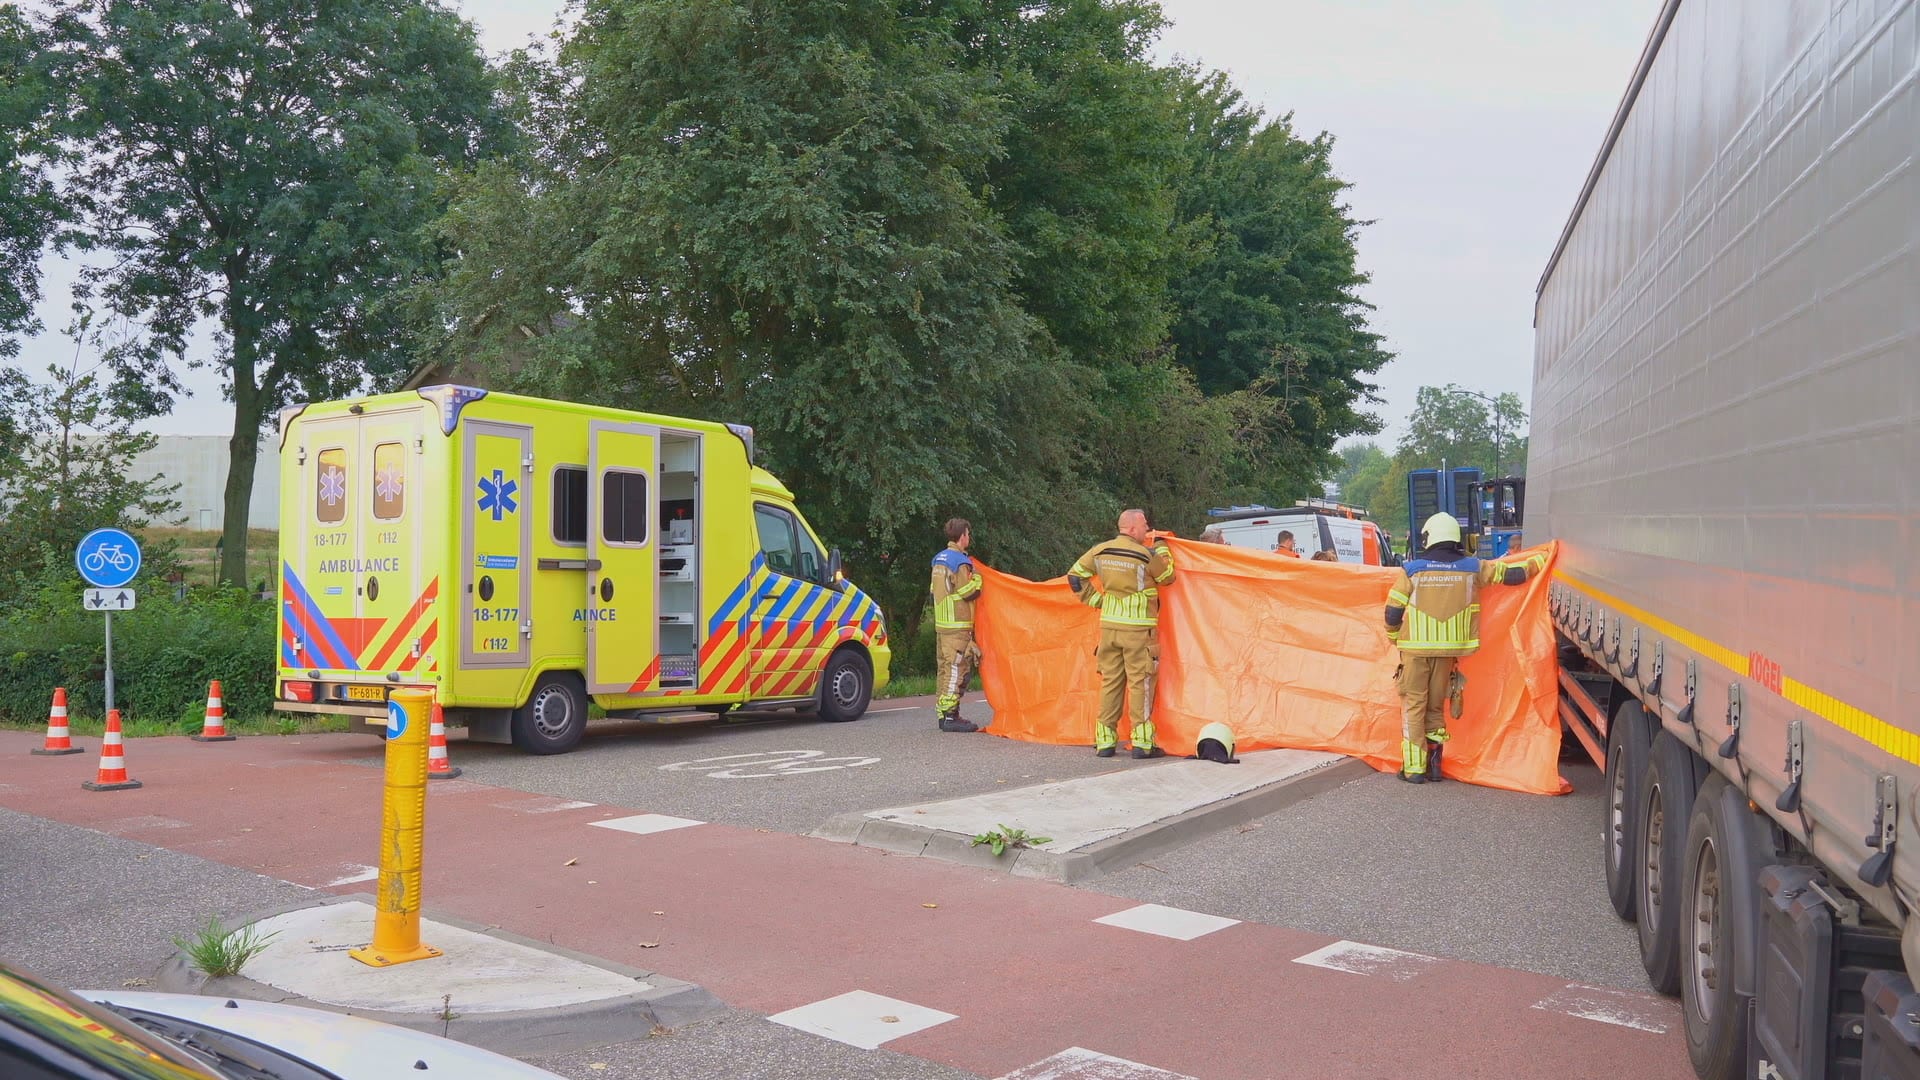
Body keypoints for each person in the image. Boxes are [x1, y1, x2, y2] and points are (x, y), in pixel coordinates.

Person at [1383, 512, 1548, 783]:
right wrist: (1542, 558)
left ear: (1430, 536)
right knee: (1435, 707)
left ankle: (1413, 769)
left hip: (1414, 650)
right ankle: (1435, 766)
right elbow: (1513, 574)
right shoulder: (1473, 567)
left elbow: (1393, 611)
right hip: (1449, 651)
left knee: (1414, 705)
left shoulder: (1412, 569)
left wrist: (1393, 637)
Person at [1068, 509, 1176, 758]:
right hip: (1138, 631)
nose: (1147, 530)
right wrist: (1162, 548)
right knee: (1141, 684)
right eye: (1145, 526)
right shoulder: (1145, 554)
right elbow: (1168, 577)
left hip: (1109, 629)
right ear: (1132, 528)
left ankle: (1105, 742)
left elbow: (1075, 577)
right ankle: (1143, 743)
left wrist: (1098, 601)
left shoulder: (1100, 551)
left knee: (1111, 683)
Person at [929, 518, 984, 733]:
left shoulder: (938, 560)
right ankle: (951, 716)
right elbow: (968, 592)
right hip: (957, 626)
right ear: (962, 536)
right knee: (957, 670)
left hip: (942, 625)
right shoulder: (959, 562)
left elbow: (936, 590)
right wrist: (979, 579)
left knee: (944, 669)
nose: (969, 538)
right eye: (968, 534)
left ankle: (944, 713)